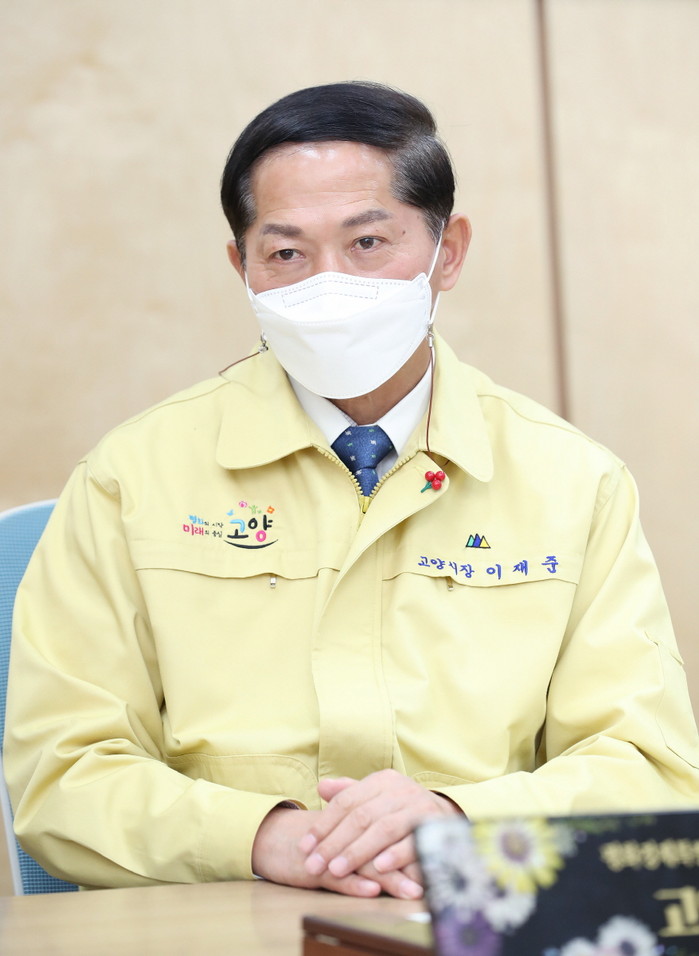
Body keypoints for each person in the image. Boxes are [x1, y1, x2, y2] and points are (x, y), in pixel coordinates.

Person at [5, 82, 699, 898]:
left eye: (368, 242)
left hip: (473, 912)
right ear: (241, 267)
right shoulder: (130, 477)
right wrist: (269, 837)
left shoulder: (572, 482)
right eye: (286, 254)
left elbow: (647, 767)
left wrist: (455, 819)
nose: (327, 283)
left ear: (447, 252)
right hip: (222, 919)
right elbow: (63, 775)